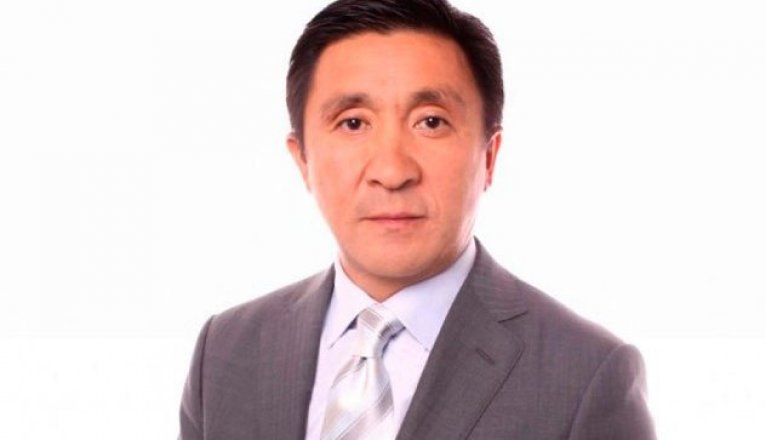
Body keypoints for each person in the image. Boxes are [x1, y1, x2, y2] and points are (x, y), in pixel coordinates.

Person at [179, 0, 656, 438]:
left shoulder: (586, 376)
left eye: (431, 121)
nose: (392, 172)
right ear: (302, 158)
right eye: (353, 122)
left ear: (489, 157)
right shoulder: (225, 352)